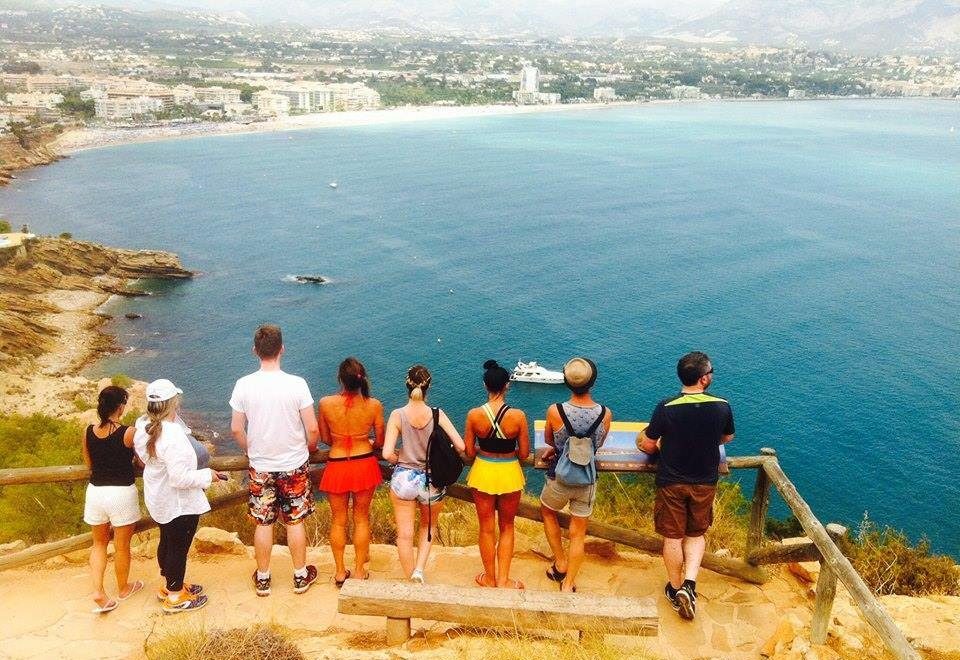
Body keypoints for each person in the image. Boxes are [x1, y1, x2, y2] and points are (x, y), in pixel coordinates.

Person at [636, 351, 734, 621]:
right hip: (704, 481)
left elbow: (647, 443)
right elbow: (727, 437)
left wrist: (654, 443)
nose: (712, 375)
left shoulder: (665, 407)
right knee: (696, 534)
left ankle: (676, 587)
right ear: (704, 379)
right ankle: (690, 585)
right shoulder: (722, 405)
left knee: (673, 537)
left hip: (671, 481)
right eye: (711, 371)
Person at [230, 324, 320, 596]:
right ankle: (300, 576)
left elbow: (236, 428)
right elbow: (312, 428)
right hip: (294, 463)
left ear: (254, 350)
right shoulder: (297, 384)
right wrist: (309, 448)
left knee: (263, 522)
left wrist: (249, 449)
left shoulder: (243, 385)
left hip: (261, 466)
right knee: (295, 521)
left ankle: (264, 579)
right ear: (282, 348)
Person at [134, 379, 224, 614]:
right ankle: (175, 596)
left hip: (158, 496)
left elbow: (148, 460)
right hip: (177, 502)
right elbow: (179, 478)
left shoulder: (143, 424)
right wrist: (208, 476)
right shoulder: (172, 434)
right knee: (178, 547)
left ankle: (169, 585)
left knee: (167, 540)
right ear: (174, 403)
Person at [382, 364, 465, 584]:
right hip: (431, 482)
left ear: (406, 386)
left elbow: (387, 453)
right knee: (428, 526)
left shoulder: (397, 415)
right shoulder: (437, 414)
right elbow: (461, 445)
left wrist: (401, 457)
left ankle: (410, 579)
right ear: (429, 386)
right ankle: (419, 570)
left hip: (403, 480)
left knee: (404, 534)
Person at [539, 357, 611, 593]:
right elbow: (597, 444)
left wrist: (560, 448)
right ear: (593, 382)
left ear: (568, 383)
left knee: (548, 511)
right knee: (578, 533)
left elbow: (550, 440)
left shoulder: (555, 410)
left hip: (559, 475)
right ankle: (568, 584)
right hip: (586, 478)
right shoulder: (604, 413)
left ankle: (559, 562)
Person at [316, 357, 385, 587]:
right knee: (361, 518)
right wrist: (367, 443)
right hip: (364, 463)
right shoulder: (374, 405)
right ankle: (358, 570)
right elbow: (380, 441)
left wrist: (338, 441)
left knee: (338, 521)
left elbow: (324, 438)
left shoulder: (325, 403)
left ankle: (338, 572)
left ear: (340, 379)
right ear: (362, 379)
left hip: (336, 465)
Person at [464, 360, 530, 589]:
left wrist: (485, 450)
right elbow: (523, 454)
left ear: (485, 385)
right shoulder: (518, 416)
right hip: (509, 472)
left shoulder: (474, 415)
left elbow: (469, 452)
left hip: (483, 471)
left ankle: (489, 578)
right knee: (507, 526)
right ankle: (504, 580)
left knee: (485, 527)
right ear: (507, 386)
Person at [82, 385, 143, 613]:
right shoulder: (129, 432)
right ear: (120, 406)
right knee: (121, 546)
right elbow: (141, 462)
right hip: (121, 493)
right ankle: (124, 588)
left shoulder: (89, 431)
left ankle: (98, 591)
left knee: (98, 544)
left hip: (96, 492)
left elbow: (89, 463)